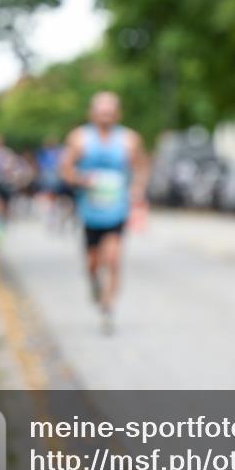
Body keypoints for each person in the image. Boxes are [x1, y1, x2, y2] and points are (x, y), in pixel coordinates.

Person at [60, 92, 149, 326]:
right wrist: (81, 180)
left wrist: (137, 188)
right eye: (101, 113)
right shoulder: (79, 138)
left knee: (113, 258)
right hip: (90, 210)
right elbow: (65, 170)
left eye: (110, 113)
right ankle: (94, 283)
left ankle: (108, 305)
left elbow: (142, 167)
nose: (105, 117)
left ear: (117, 114)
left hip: (117, 209)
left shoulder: (129, 139)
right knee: (92, 263)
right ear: (92, 113)